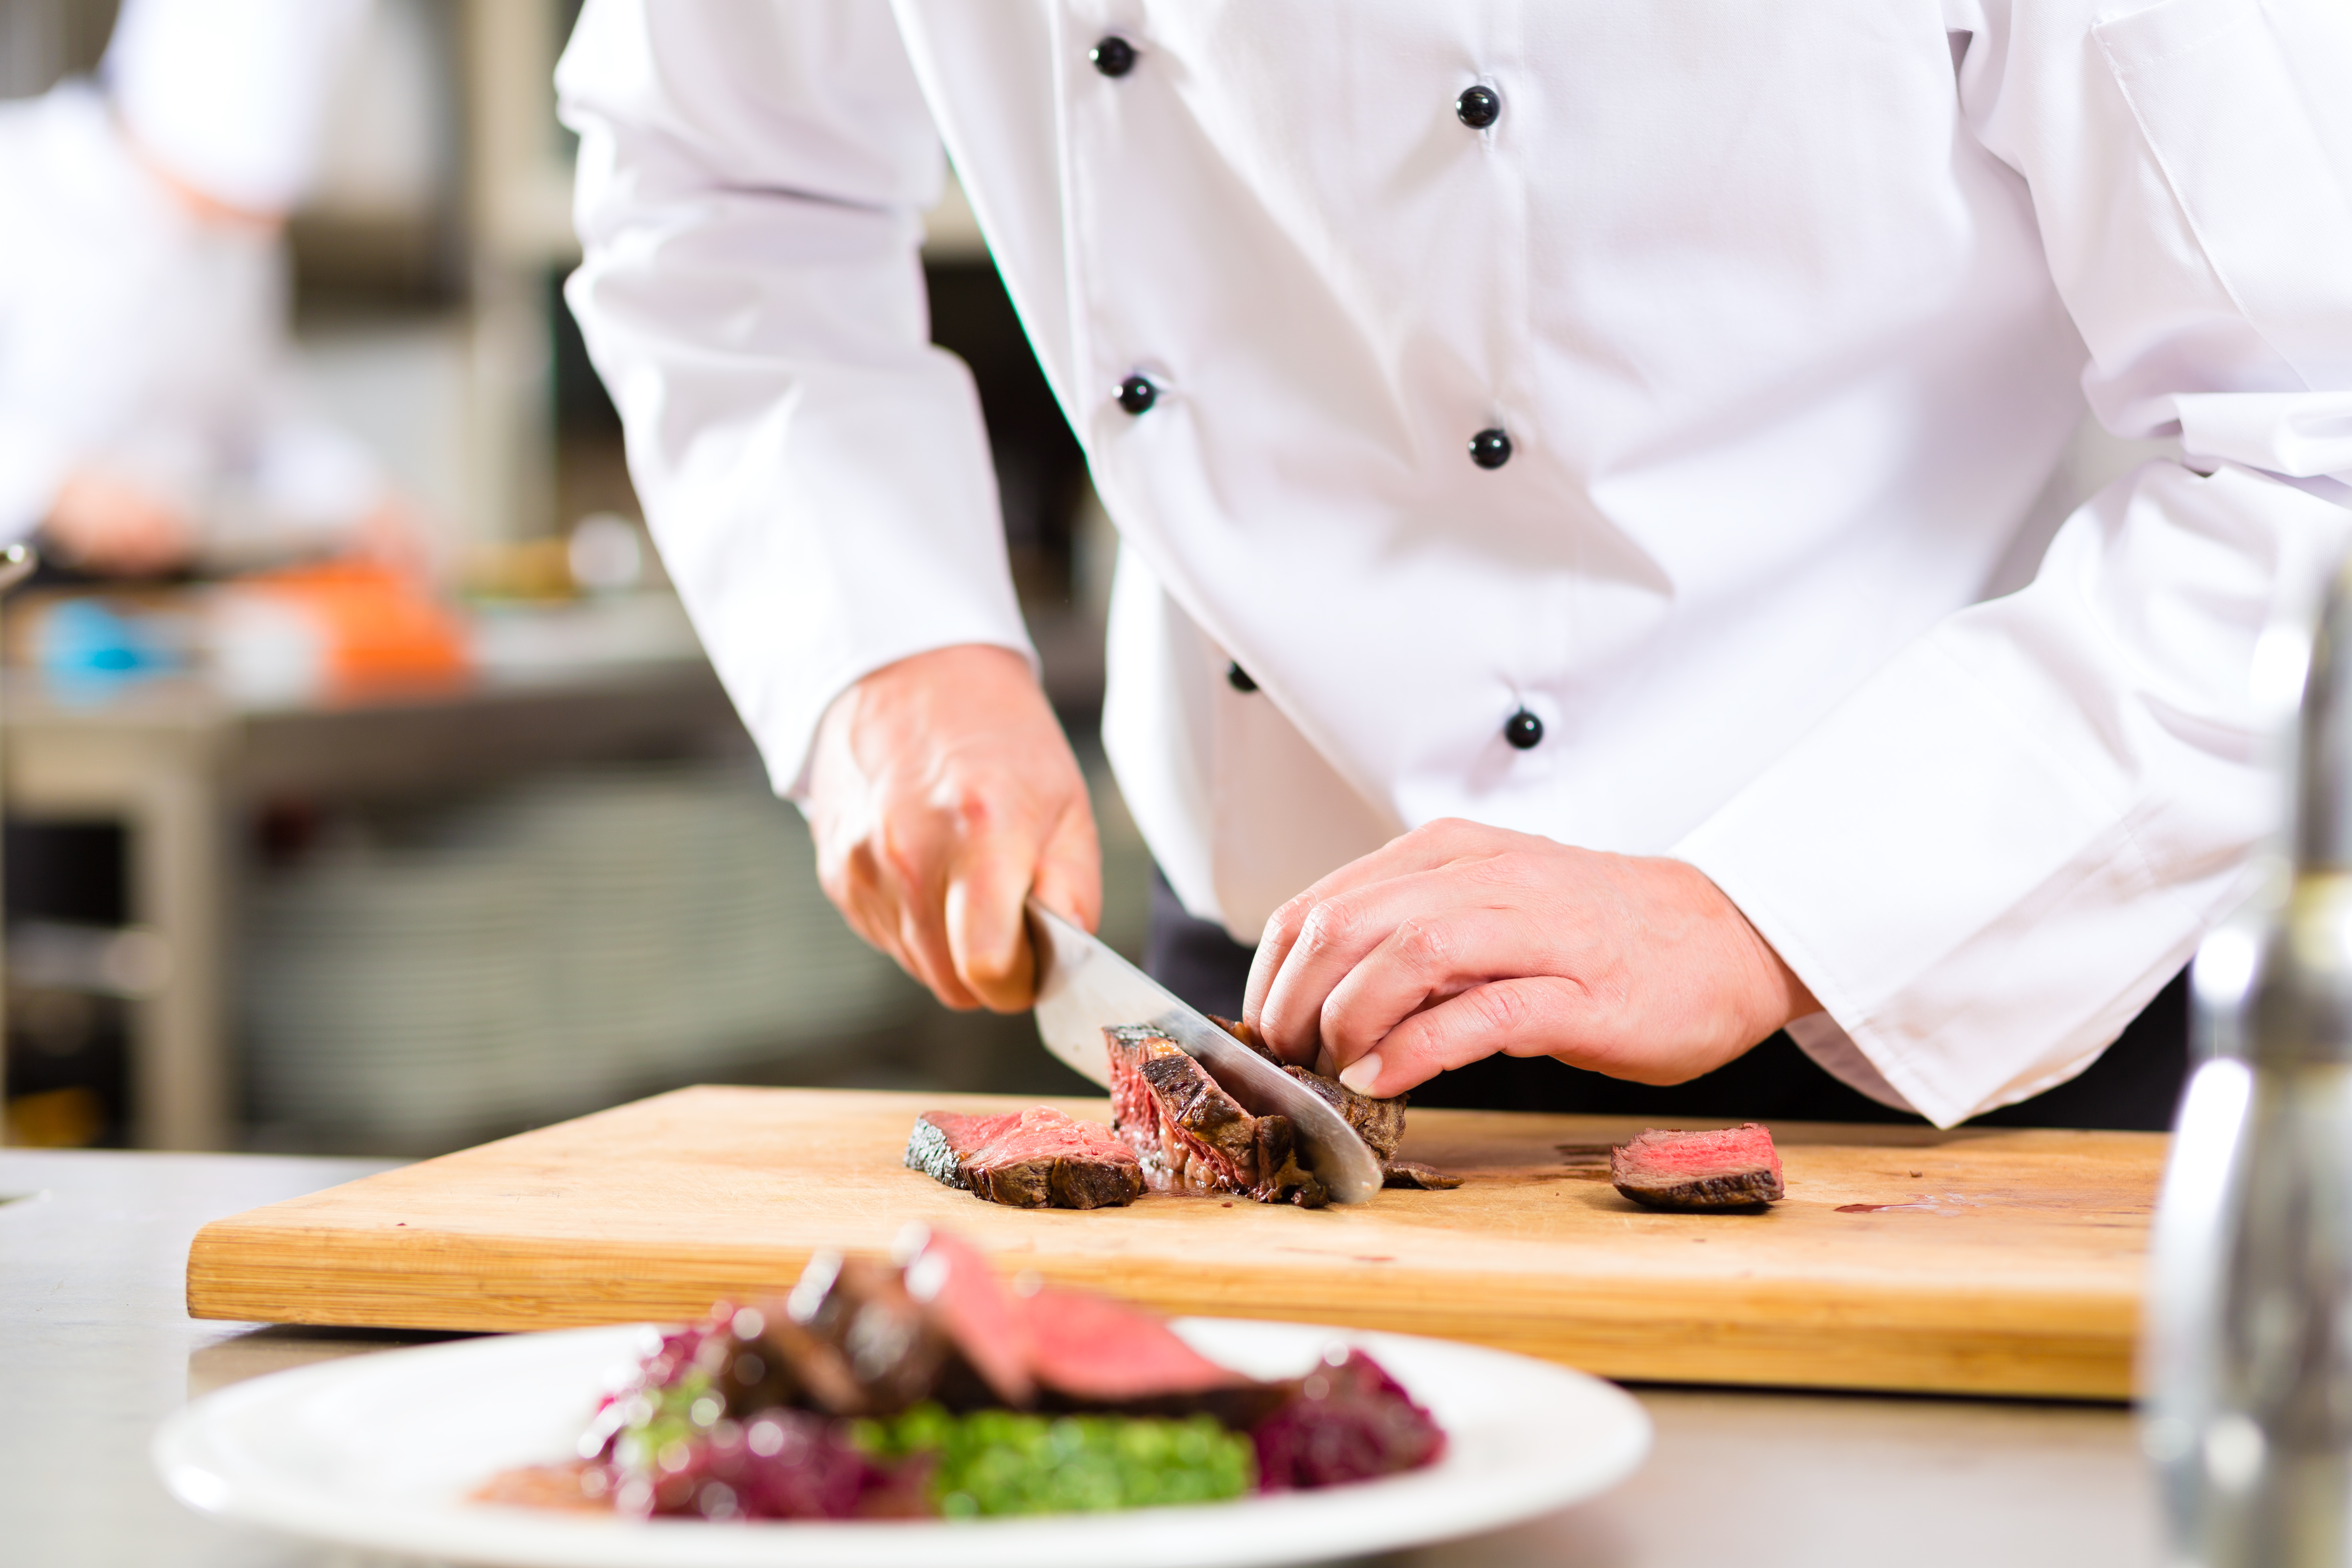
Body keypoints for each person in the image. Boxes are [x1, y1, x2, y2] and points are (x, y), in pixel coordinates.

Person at [558, 2, 2352, 1130]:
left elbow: (2313, 444)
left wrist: (1772, 906)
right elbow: (722, 189)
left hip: (1961, 976)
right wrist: (885, 642)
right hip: (1267, 999)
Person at [0, 0, 416, 582]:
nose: (257, 226)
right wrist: (52, 487)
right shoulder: (15, 177)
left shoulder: (240, 241)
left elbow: (260, 417)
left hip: (165, 594)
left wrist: (356, 497)